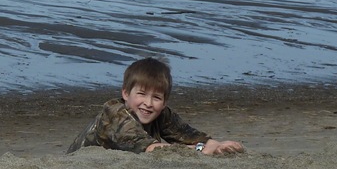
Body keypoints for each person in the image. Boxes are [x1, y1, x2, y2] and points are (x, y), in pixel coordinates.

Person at [67, 57, 245, 155]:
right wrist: (201, 150)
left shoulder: (161, 114)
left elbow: (190, 136)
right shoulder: (115, 114)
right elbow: (151, 149)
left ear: (165, 102)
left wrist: (218, 145)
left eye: (157, 97)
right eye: (141, 94)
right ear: (126, 93)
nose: (148, 103)